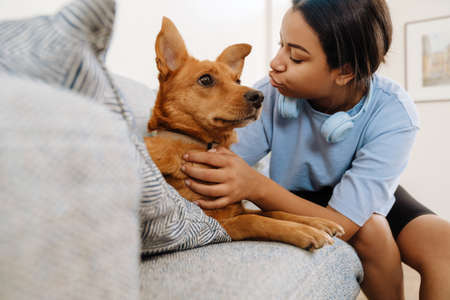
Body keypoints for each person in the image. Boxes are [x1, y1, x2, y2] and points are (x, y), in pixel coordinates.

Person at [181, 0, 450, 299]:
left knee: (444, 244)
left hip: (351, 200)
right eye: (281, 45)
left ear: (345, 71)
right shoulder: (269, 95)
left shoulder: (394, 112)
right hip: (294, 194)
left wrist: (255, 186)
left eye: (295, 57)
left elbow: (344, 224)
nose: (276, 62)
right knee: (374, 230)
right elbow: (219, 160)